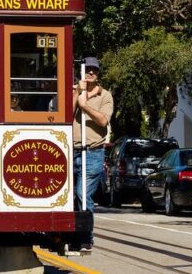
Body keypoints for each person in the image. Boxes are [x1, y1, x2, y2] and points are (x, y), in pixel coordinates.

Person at [72, 57, 113, 251]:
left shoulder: (105, 96)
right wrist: (78, 93)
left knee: (82, 194)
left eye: (94, 70)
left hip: (93, 153)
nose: (90, 73)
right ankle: (71, 234)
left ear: (98, 74)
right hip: (71, 151)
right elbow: (63, 114)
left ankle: (86, 238)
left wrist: (85, 106)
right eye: (87, 69)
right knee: (69, 197)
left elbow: (103, 121)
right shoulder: (74, 90)